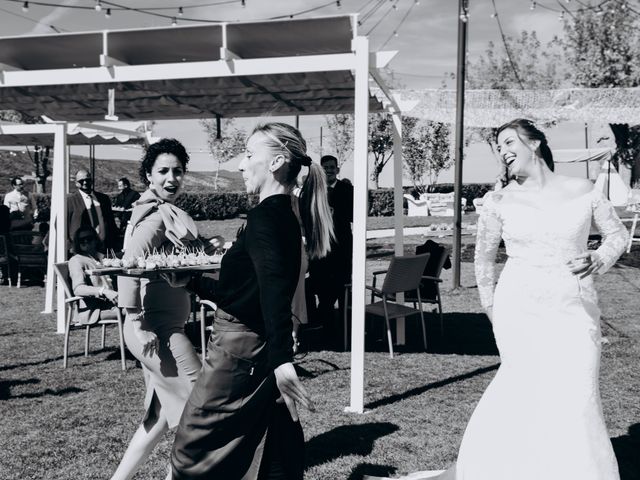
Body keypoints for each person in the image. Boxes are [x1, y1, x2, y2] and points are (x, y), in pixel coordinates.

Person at [397, 119, 629, 480]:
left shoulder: (583, 189)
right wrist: (492, 310)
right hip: (519, 309)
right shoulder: (498, 200)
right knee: (524, 393)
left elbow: (616, 237)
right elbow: (483, 260)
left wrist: (598, 258)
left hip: (574, 309)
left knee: (577, 394)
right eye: (499, 147)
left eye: (508, 142)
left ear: (534, 143)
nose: (503, 151)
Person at [170, 122, 334, 480]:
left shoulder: (265, 216)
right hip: (255, 344)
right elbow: (251, 290)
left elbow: (274, 288)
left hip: (238, 349)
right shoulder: (286, 211)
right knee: (276, 439)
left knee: (190, 451)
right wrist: (195, 282)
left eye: (248, 154)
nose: (240, 165)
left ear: (276, 162)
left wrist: (281, 359)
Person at [111, 139, 204, 480]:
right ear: (148, 176)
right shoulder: (155, 217)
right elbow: (129, 265)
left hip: (163, 328)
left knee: (159, 419)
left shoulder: (162, 212)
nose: (171, 178)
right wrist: (136, 322)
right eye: (163, 171)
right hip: (157, 332)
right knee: (197, 415)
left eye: (177, 171)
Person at [307, 154, 353, 349]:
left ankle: (345, 330)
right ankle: (324, 327)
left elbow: (353, 214)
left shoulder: (347, 189)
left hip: (341, 247)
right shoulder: (314, 190)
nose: (329, 170)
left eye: (332, 167)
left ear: (338, 169)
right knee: (319, 288)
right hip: (320, 248)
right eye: (325, 167)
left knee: (343, 288)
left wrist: (335, 214)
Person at [68, 226, 119, 324]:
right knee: (134, 312)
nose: (86, 241)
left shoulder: (101, 258)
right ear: (77, 242)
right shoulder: (76, 260)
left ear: (96, 240)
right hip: (94, 311)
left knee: (139, 307)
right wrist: (104, 292)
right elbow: (78, 288)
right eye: (81, 240)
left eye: (89, 238)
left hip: (112, 305)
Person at [67, 170, 118, 253]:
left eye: (87, 180)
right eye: (81, 181)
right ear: (76, 183)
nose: (85, 183)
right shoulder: (70, 201)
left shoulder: (103, 199)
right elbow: (65, 225)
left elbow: (110, 222)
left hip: (103, 248)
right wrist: (71, 246)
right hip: (81, 249)